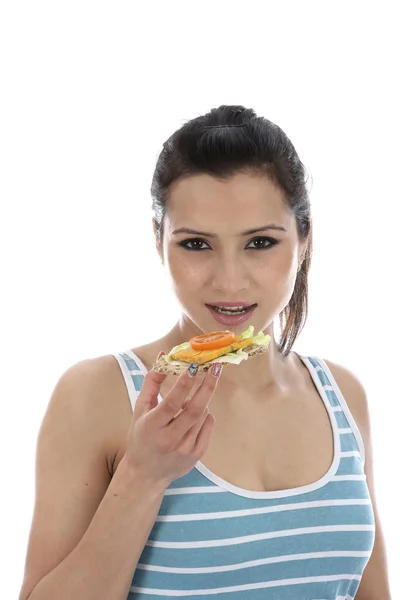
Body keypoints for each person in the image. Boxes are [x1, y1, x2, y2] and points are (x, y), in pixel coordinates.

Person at [18, 105, 391, 600]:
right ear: (159, 242)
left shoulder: (342, 395)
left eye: (260, 242)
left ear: (304, 241)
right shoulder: (97, 394)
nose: (230, 280)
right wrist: (141, 477)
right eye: (196, 244)